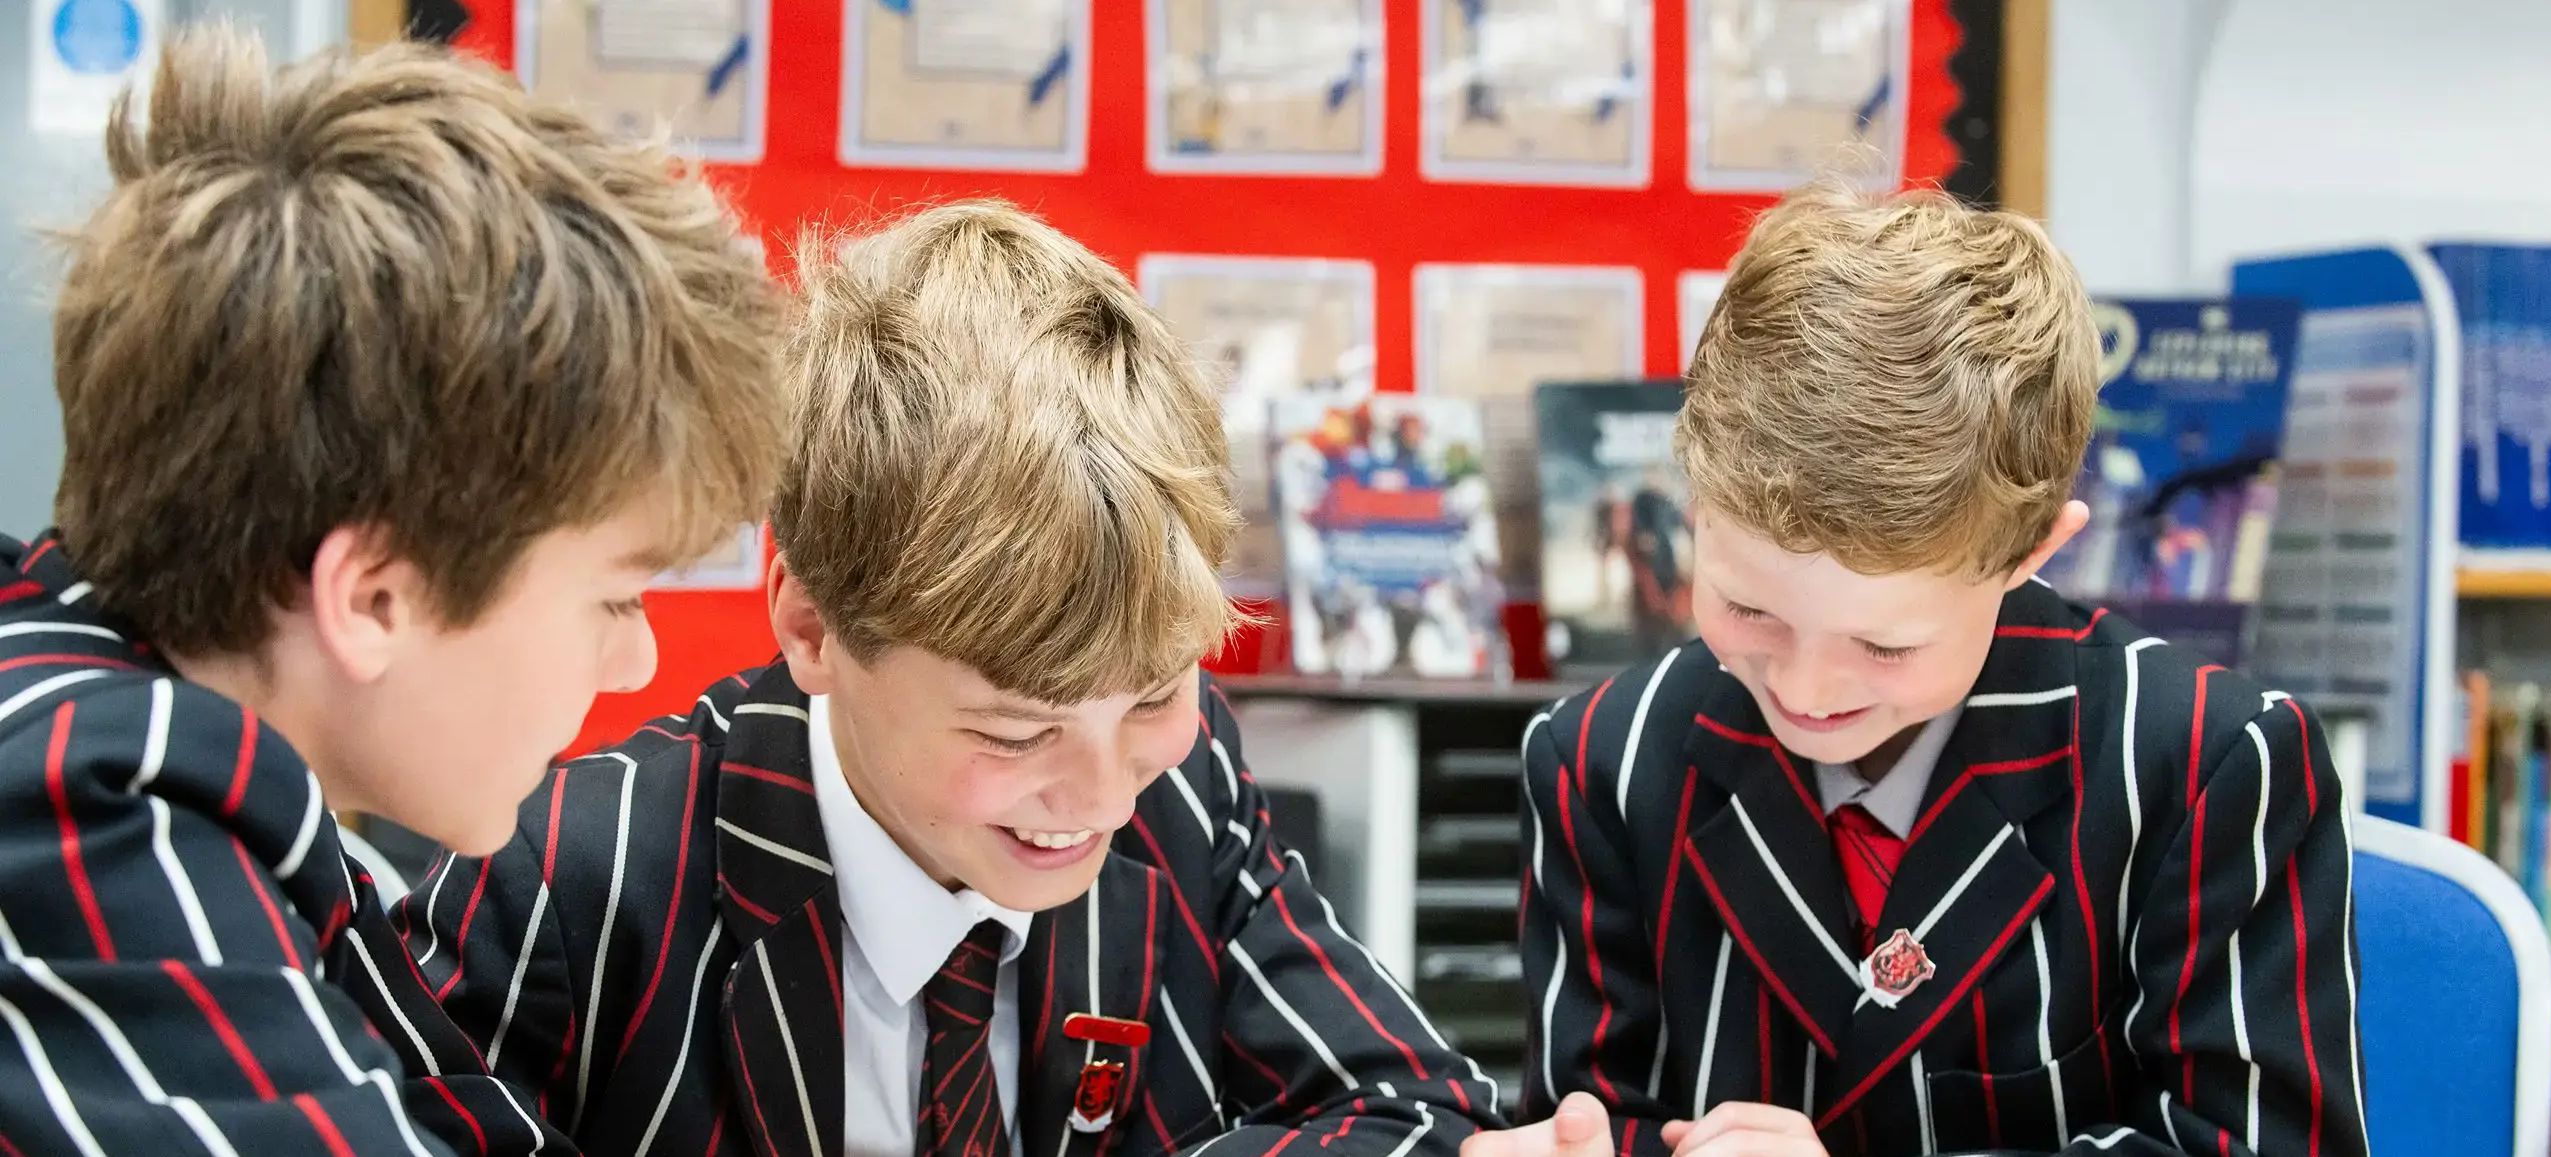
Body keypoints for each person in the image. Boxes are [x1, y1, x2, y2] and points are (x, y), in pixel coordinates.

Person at [400, 200, 1503, 1156]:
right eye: (1017, 732)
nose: (1103, 795)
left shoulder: (1185, 785)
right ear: (812, 626)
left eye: (1157, 693)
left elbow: (1414, 1105)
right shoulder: (561, 881)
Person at [0, 26, 782, 1153]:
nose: (639, 661)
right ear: (373, 597)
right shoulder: (97, 822)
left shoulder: (224, 791)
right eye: (616, 596)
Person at [1468, 183, 2364, 1157]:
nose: (1805, 690)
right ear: (1687, 503)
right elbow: (1587, 1121)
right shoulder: (1598, 763)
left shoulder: (2205, 765)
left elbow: (2252, 1144)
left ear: (2032, 551)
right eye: (1748, 607)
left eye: (1884, 643)